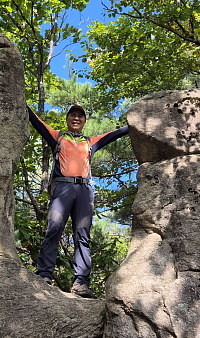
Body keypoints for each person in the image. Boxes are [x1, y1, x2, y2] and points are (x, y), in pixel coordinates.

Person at [27, 104, 129, 298]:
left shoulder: (90, 142)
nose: (76, 118)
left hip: (84, 190)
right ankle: (44, 274)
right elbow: (37, 122)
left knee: (82, 234)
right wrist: (22, 104)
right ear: (67, 119)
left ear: (84, 121)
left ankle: (81, 283)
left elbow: (115, 134)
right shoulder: (57, 137)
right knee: (54, 229)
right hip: (62, 188)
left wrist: (135, 124)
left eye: (80, 116)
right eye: (72, 115)